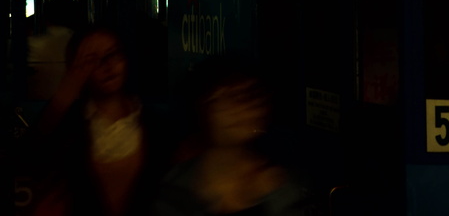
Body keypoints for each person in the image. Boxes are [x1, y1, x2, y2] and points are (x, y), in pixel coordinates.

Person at [30, 24, 168, 216]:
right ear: (76, 69)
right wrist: (65, 93)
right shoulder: (71, 127)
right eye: (92, 60)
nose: (107, 65)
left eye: (113, 54)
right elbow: (32, 158)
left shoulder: (155, 125)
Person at [154, 62, 312, 216]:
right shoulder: (174, 187)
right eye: (226, 97)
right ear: (201, 110)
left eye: (251, 95)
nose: (243, 106)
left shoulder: (284, 186)